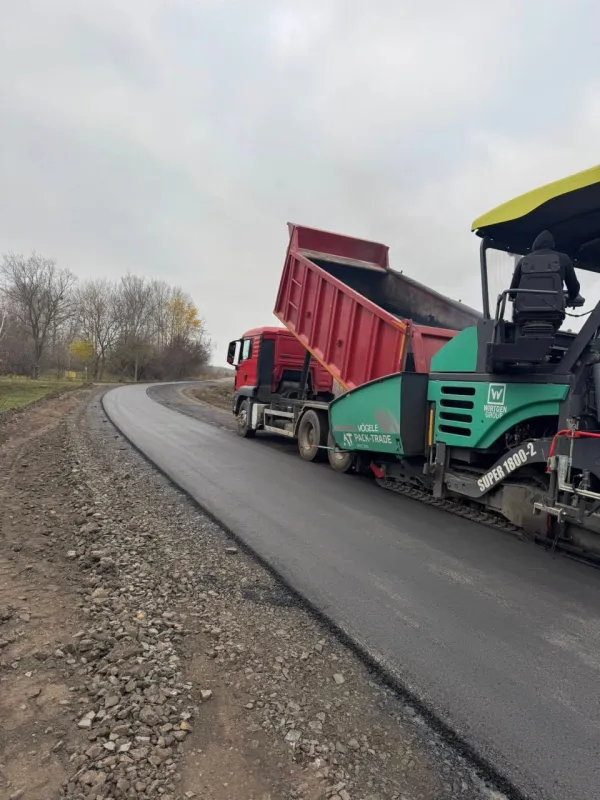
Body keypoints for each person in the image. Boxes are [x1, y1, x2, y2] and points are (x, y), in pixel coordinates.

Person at [509, 230, 582, 303]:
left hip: (524, 310)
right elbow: (574, 289)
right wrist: (567, 298)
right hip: (555, 310)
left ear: (535, 245)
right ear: (552, 245)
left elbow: (512, 293)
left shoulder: (523, 261)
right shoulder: (564, 258)